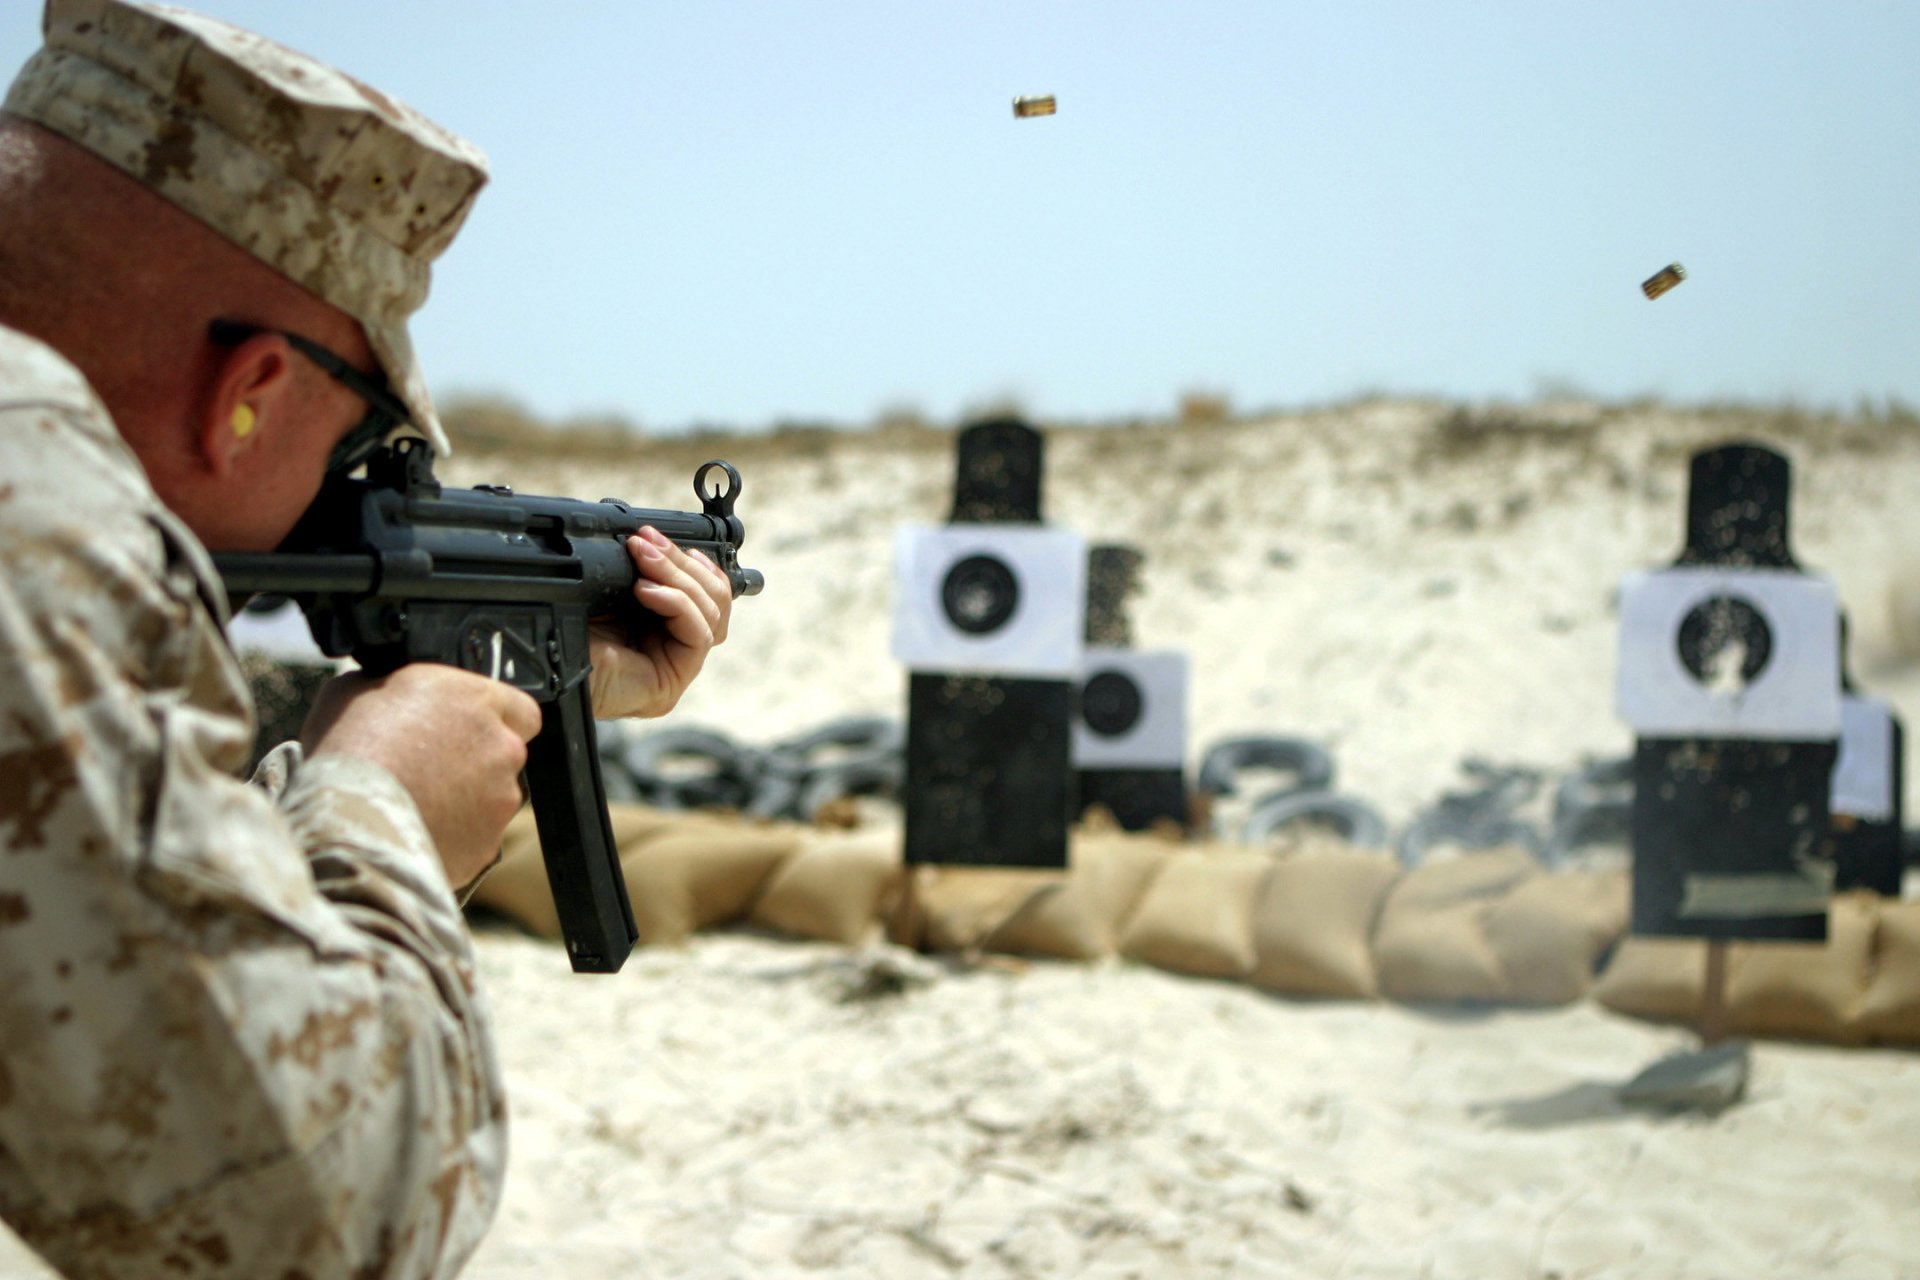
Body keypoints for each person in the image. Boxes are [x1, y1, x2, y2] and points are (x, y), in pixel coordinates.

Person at [0, 2, 734, 1276]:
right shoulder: (29, 498)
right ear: (251, 396)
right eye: (361, 453)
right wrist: (379, 802)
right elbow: (318, 1215)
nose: (341, 496)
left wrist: (553, 676)